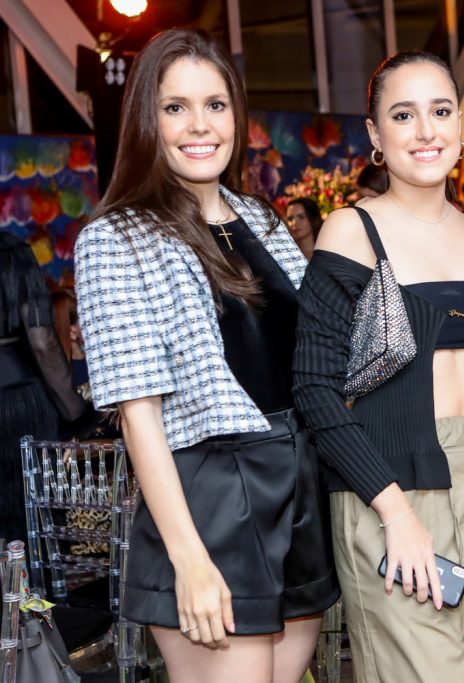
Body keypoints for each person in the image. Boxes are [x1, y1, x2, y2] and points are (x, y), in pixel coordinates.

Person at [75, 29, 339, 682]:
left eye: (215, 105)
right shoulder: (115, 239)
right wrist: (190, 557)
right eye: (175, 107)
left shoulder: (263, 221)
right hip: (208, 496)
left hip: (296, 483)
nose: (200, 125)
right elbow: (139, 415)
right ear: (146, 119)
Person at [292, 51, 464, 683]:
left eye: (440, 111)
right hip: (386, 484)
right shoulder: (350, 231)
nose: (425, 131)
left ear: (459, 127)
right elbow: (314, 390)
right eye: (403, 114)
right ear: (375, 134)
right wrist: (395, 512)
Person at [1, 233, 87, 542]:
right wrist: (76, 414)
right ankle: (33, 589)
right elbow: (43, 344)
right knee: (33, 521)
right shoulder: (12, 254)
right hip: (16, 403)